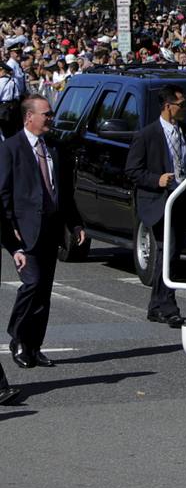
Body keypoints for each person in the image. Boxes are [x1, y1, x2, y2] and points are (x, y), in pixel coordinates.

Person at [1, 96, 84, 369]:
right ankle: (18, 337)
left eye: (51, 114)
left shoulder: (55, 148)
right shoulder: (11, 148)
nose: (51, 118)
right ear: (29, 117)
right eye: (46, 114)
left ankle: (35, 346)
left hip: (51, 228)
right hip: (24, 230)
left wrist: (75, 223)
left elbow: (64, 191)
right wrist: (10, 227)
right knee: (32, 283)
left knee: (44, 292)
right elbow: (3, 193)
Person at [126, 85, 186, 328]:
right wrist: (156, 180)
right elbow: (132, 171)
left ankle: (156, 306)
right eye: (181, 105)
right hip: (159, 201)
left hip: (183, 200)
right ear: (167, 106)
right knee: (168, 251)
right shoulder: (147, 135)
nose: (185, 109)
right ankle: (168, 306)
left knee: (172, 254)